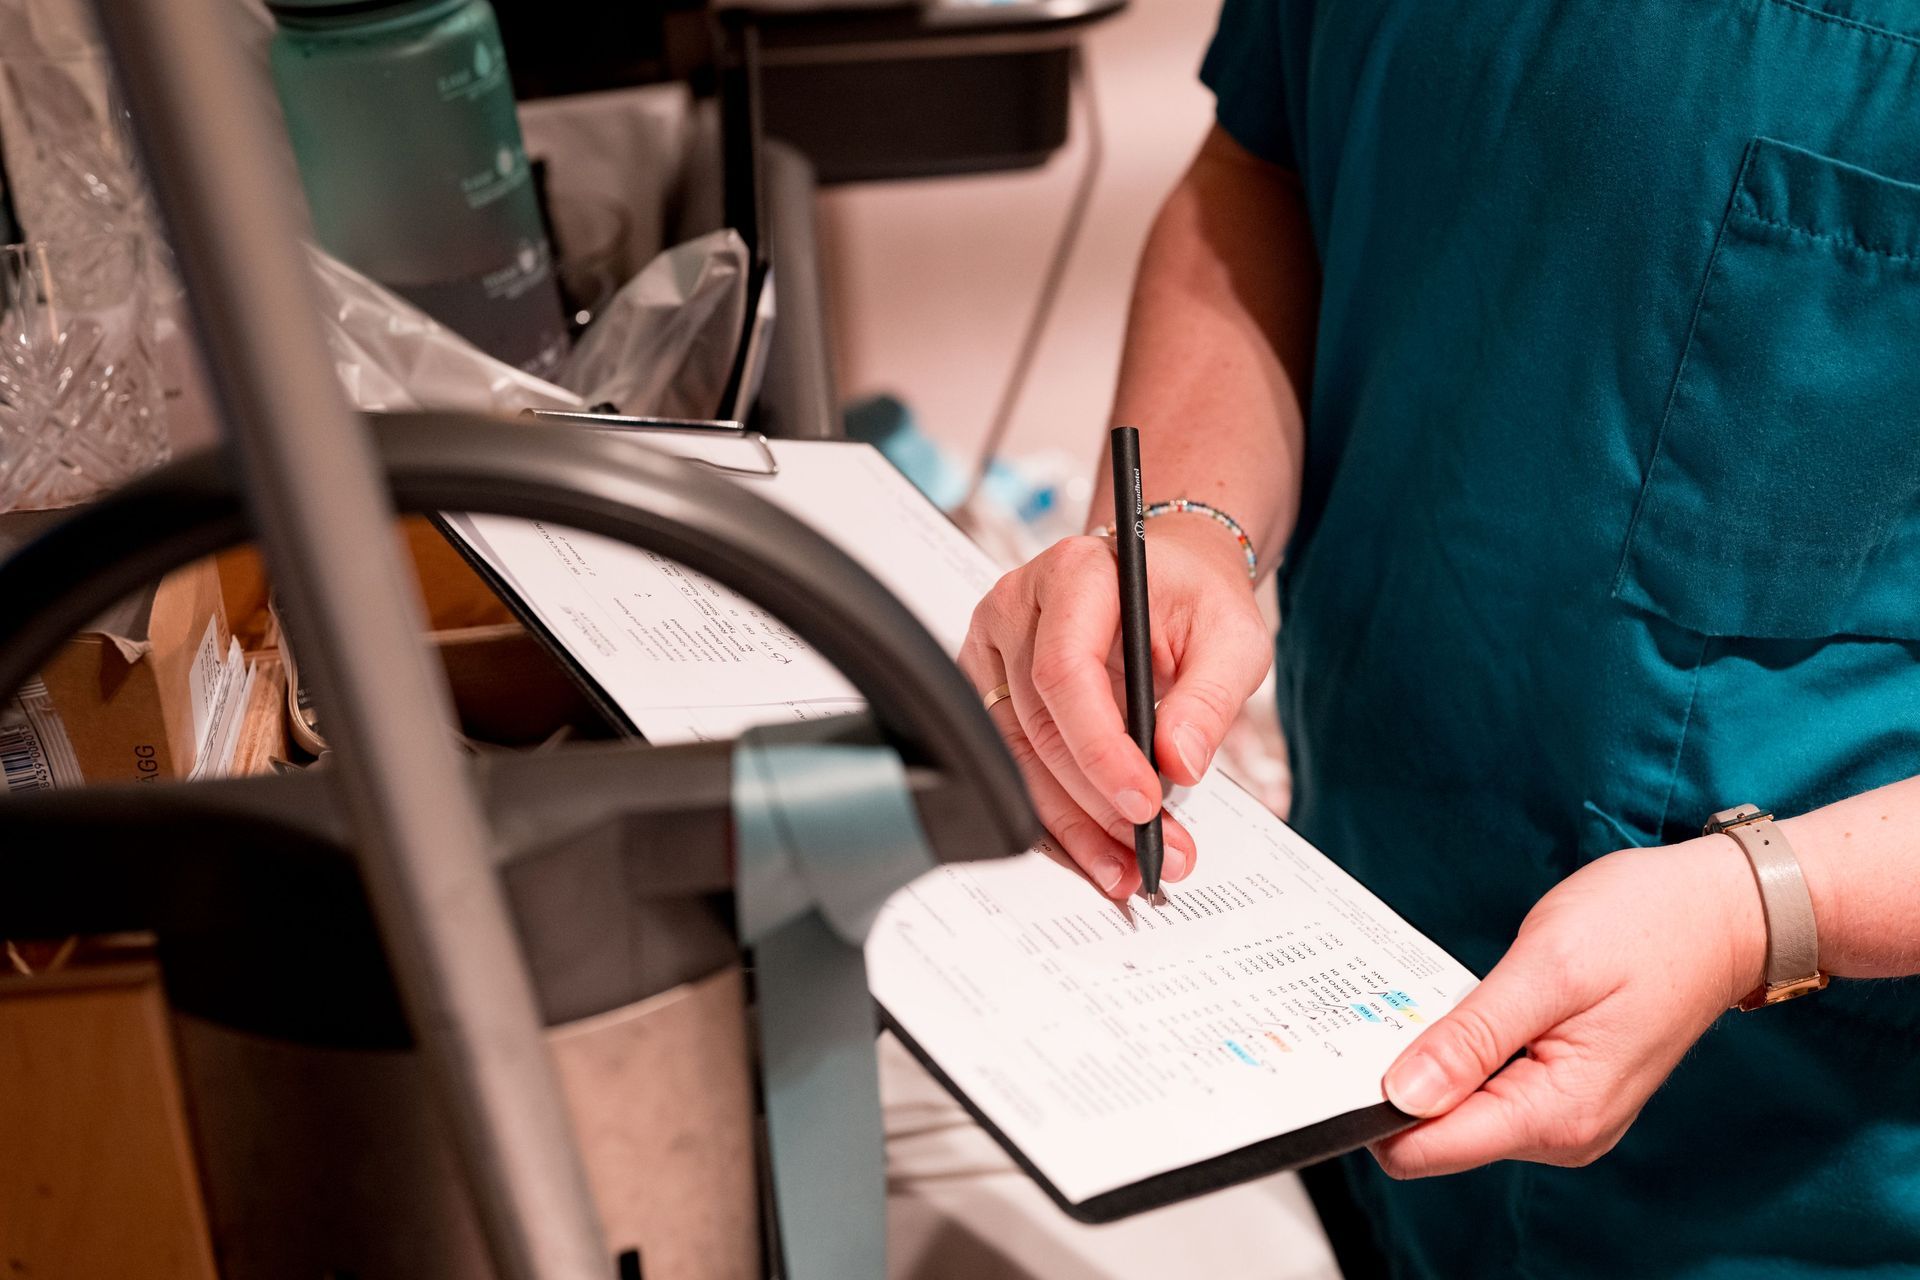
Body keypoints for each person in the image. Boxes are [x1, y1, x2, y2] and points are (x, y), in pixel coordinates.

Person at [958, 3, 1920, 1275]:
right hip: (1345, 1008)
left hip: (1791, 1179)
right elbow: (1260, 166)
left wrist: (1757, 911)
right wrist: (1187, 527)